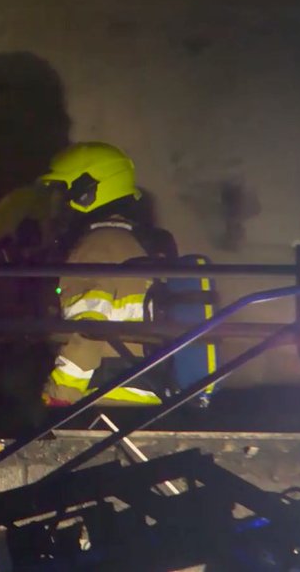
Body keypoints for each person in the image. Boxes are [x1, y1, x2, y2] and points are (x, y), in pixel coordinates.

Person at [36, 142, 180, 407]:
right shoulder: (132, 241)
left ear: (87, 192)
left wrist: (58, 396)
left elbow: (88, 328)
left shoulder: (97, 244)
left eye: (62, 192)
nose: (58, 205)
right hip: (143, 392)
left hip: (104, 398)